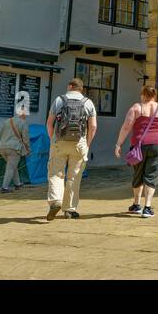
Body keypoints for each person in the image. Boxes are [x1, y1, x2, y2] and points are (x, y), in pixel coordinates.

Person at [114, 85, 158, 218]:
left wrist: (118, 144)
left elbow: (126, 127)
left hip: (139, 145)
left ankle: (136, 205)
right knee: (152, 174)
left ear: (142, 94)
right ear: (154, 95)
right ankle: (147, 208)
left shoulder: (136, 108)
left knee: (138, 173)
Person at [45, 77, 96, 221]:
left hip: (59, 141)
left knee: (56, 172)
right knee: (74, 176)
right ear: (81, 89)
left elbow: (49, 123)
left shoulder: (59, 100)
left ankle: (56, 201)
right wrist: (87, 143)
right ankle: (69, 209)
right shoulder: (88, 102)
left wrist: (52, 140)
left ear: (69, 86)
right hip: (79, 143)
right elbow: (93, 126)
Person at [0, 106, 30, 193]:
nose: (27, 115)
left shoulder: (6, 121)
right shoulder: (23, 123)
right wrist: (28, 149)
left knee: (12, 166)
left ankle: (18, 184)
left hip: (2, 147)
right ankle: (4, 188)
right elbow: (26, 139)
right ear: (23, 113)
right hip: (14, 148)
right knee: (11, 168)